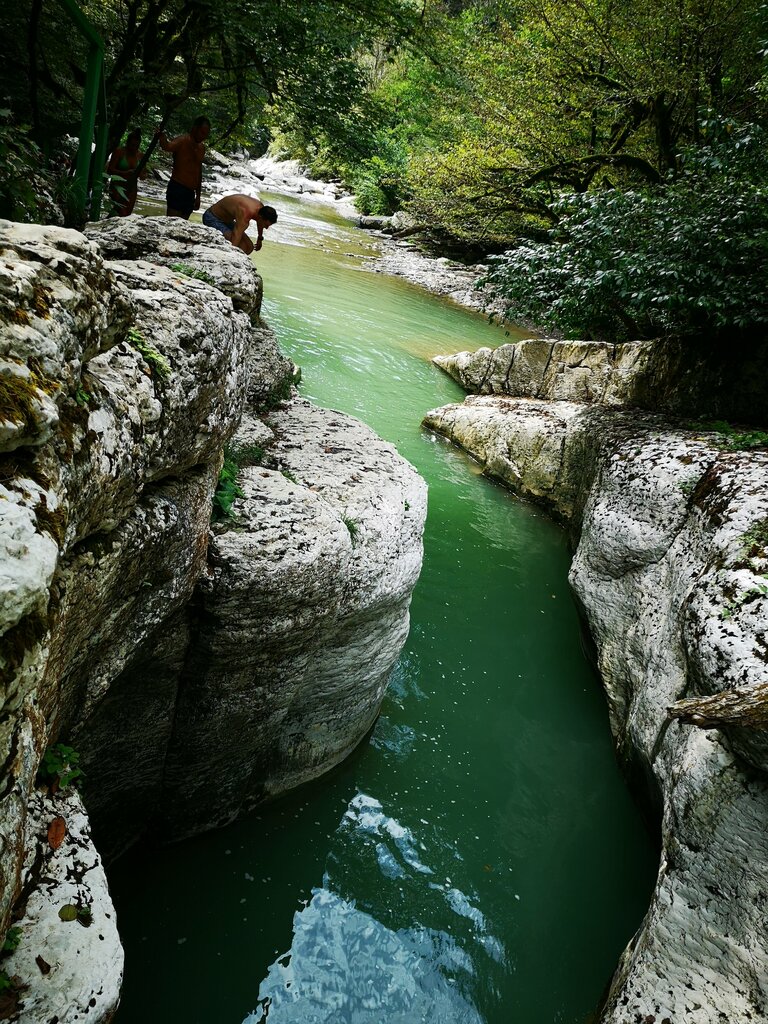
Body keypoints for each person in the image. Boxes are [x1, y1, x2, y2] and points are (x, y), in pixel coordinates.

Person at [155, 116, 210, 218]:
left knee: (183, 226)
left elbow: (198, 171)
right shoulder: (182, 140)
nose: (203, 137)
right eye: (202, 133)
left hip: (190, 193)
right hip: (177, 188)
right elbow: (166, 146)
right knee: (172, 223)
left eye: (206, 135)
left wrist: (198, 196)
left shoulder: (201, 148)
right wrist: (161, 137)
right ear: (195, 128)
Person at [202, 194, 278, 254]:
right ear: (261, 217)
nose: (267, 228)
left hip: (227, 220)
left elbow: (260, 223)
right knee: (242, 247)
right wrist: (232, 255)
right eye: (266, 225)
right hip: (212, 218)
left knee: (250, 247)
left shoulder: (261, 209)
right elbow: (235, 237)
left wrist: (260, 238)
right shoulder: (246, 213)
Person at [106, 129, 145, 216]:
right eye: (132, 145)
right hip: (117, 185)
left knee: (127, 214)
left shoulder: (140, 156)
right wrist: (125, 173)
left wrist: (141, 175)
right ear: (127, 143)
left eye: (136, 146)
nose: (134, 148)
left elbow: (143, 175)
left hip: (132, 188)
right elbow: (110, 170)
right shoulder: (119, 152)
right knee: (121, 212)